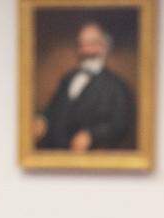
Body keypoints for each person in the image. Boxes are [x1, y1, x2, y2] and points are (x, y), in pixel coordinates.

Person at [35, 21, 135, 152]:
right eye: (81, 44)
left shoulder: (116, 86)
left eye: (91, 44)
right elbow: (53, 109)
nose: (85, 50)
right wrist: (42, 119)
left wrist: (91, 135)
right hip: (55, 156)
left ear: (104, 47)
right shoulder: (68, 78)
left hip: (92, 159)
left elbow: (119, 125)